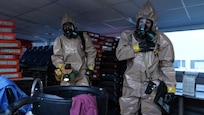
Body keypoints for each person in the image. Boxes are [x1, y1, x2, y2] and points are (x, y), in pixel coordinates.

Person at [115, 0, 176, 115]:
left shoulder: (162, 40)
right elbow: (120, 55)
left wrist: (171, 89)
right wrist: (136, 47)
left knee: (151, 112)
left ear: (153, 24)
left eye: (148, 22)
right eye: (141, 21)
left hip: (152, 85)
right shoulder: (128, 36)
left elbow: (167, 66)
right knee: (127, 112)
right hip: (131, 83)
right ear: (137, 22)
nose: (144, 25)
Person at [51, 13, 97, 86]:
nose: (67, 29)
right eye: (65, 27)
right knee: (66, 92)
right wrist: (61, 66)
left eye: (69, 26)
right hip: (67, 71)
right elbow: (56, 56)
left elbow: (91, 52)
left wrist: (90, 66)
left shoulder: (83, 37)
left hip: (82, 71)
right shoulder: (59, 39)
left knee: (82, 92)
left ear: (74, 26)